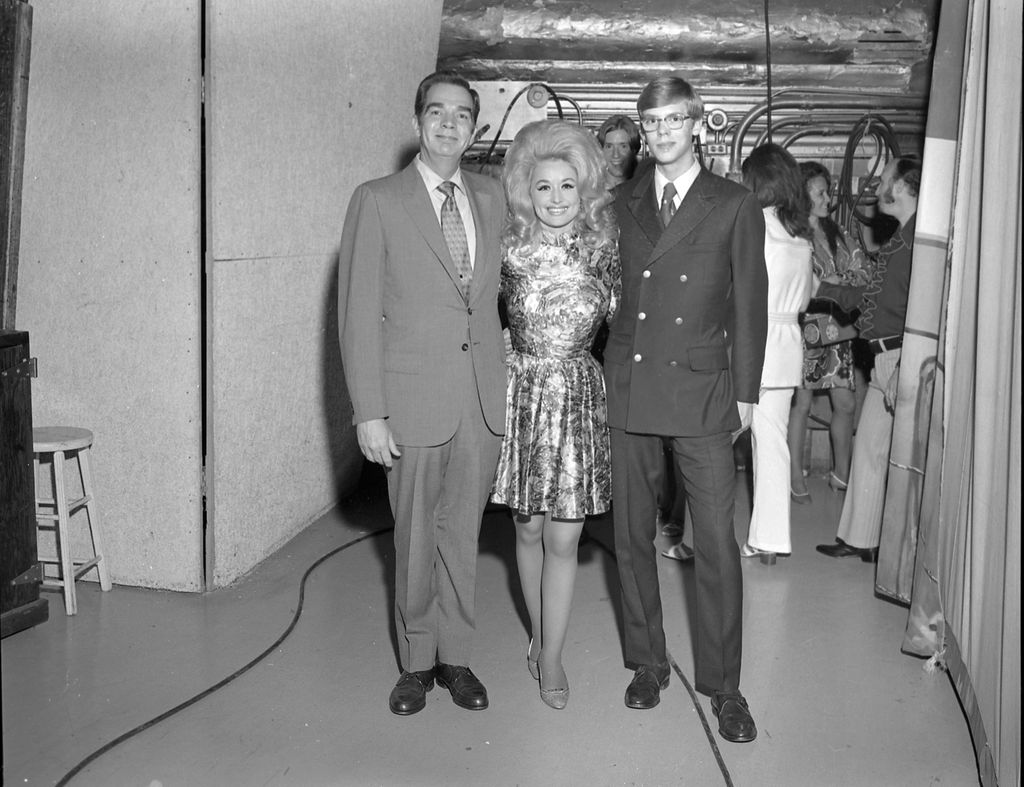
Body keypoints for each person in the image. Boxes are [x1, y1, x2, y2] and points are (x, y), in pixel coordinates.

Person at [603, 75, 768, 743]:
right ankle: (647, 662)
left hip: (702, 391)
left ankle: (725, 685)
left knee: (717, 548)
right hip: (633, 388)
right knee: (631, 535)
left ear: (697, 124)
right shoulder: (622, 201)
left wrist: (748, 390)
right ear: (643, 130)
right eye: (652, 121)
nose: (663, 130)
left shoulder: (732, 202)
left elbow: (748, 303)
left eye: (675, 119)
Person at [337, 71, 507, 716]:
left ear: (474, 127)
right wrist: (369, 412)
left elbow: (494, 305)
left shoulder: (490, 198)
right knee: (412, 537)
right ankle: (416, 661)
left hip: (480, 403)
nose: (448, 124)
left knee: (461, 535)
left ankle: (457, 657)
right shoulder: (378, 199)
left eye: (462, 115)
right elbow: (357, 314)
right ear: (417, 122)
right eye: (436, 112)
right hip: (410, 403)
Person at [490, 119, 619, 710]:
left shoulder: (603, 251)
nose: (557, 199)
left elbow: (624, 329)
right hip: (523, 394)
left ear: (584, 189)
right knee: (527, 527)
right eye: (544, 187)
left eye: (568, 186)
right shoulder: (507, 252)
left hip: (577, 398)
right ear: (526, 191)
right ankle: (541, 634)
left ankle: (551, 655)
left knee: (565, 538)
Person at [815, 156, 921, 562]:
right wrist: (825, 289)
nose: (879, 185)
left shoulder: (915, 241)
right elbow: (874, 299)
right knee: (870, 451)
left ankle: (891, 547)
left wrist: (909, 366)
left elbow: (922, 312)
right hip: (882, 360)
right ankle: (861, 540)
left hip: (900, 360)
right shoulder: (900, 237)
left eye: (886, 178)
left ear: (902, 187)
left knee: (894, 457)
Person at [738, 144, 814, 565]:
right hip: (788, 343)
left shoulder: (754, 225)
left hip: (754, 339)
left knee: (752, 442)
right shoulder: (799, 233)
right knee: (773, 441)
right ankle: (767, 537)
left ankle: (766, 538)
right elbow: (806, 298)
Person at [788, 162, 872, 501]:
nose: (828, 199)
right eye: (820, 193)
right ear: (802, 196)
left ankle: (841, 474)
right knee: (801, 405)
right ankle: (795, 477)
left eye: (827, 192)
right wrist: (832, 283)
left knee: (846, 403)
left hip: (840, 329)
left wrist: (833, 283)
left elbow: (863, 272)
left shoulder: (838, 233)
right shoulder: (791, 234)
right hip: (805, 329)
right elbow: (805, 286)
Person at [597, 114, 641, 187]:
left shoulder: (645, 187)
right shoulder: (590, 189)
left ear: (634, 150)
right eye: (609, 146)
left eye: (623, 146)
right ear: (601, 150)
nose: (616, 155)